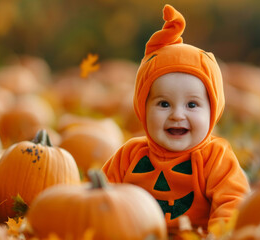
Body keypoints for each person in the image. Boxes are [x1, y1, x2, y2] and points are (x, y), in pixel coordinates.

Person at [102, 4, 250, 234]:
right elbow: (99, 199)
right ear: (143, 108)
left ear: (212, 111)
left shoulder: (216, 159)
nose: (177, 115)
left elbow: (232, 204)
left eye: (192, 105)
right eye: (163, 104)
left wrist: (217, 237)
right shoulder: (128, 156)